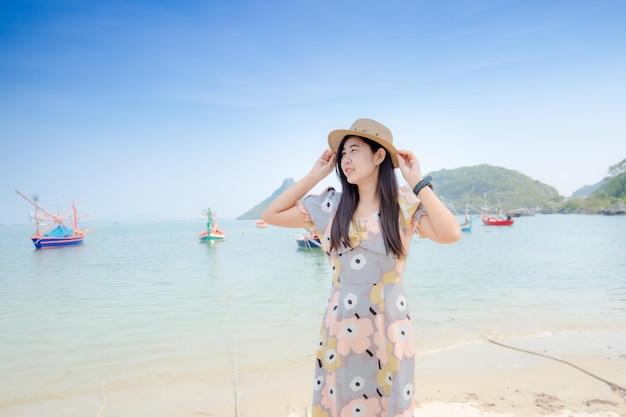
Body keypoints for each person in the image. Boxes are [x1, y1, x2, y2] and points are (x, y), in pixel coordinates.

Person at [261, 118, 461, 417]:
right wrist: (315, 175)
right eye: (342, 154)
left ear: (379, 156)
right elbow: (272, 214)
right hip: (342, 324)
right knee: (342, 400)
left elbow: (451, 233)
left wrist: (418, 184)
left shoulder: (403, 204)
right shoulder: (331, 205)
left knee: (389, 399)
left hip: (389, 323)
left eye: (354, 150)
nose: (345, 160)